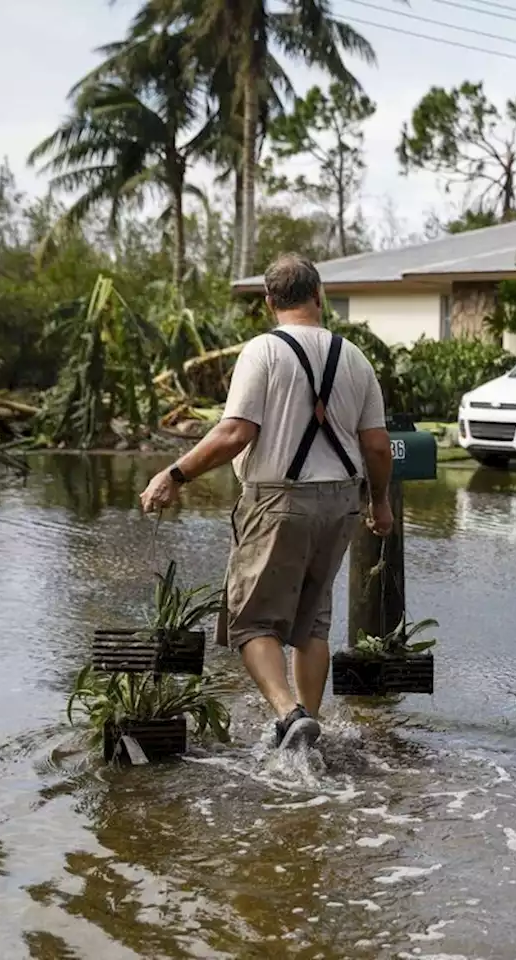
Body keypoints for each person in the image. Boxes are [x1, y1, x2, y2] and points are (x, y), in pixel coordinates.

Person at [139, 253, 394, 750]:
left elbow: (235, 433)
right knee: (312, 619)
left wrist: (175, 473)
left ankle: (289, 712)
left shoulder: (263, 352)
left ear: (269, 301)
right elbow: (378, 447)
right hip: (342, 501)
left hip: (279, 500)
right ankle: (308, 729)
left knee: (252, 620)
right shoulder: (355, 358)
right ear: (319, 296)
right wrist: (379, 503)